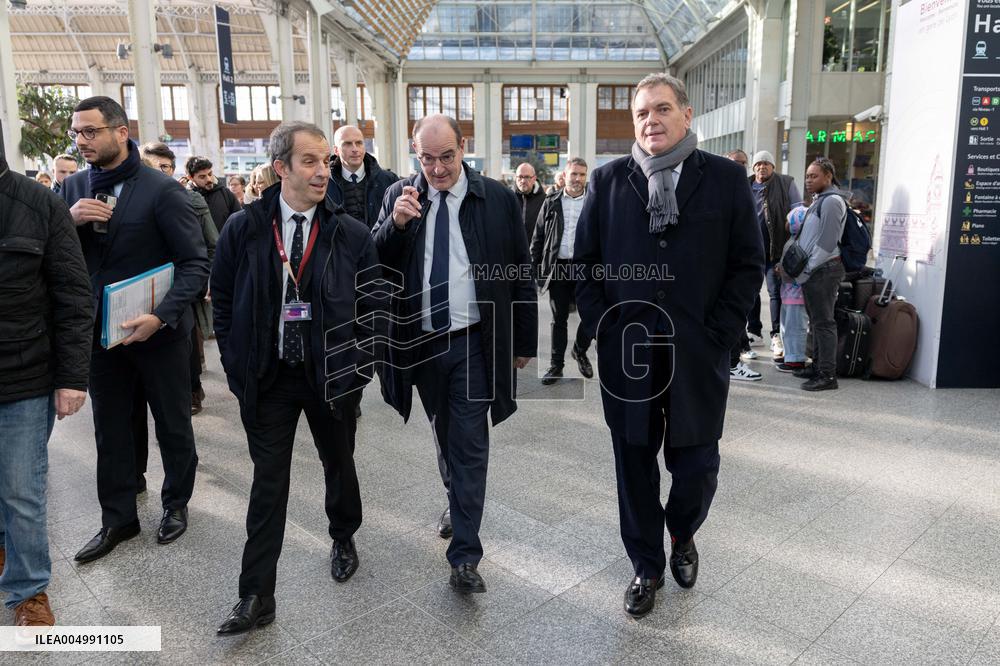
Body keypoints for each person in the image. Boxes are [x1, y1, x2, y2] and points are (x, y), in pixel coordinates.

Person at [575, 74, 763, 618]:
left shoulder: (725, 180)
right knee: (633, 462)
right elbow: (583, 264)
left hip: (697, 353)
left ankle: (682, 532)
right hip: (628, 355)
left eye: (661, 109)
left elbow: (747, 263)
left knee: (697, 464)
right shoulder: (609, 182)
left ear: (686, 115)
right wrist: (603, 327)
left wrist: (720, 333)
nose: (650, 121)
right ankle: (645, 566)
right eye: (641, 113)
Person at [213, 121, 386, 635]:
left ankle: (343, 534)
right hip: (268, 379)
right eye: (309, 161)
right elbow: (221, 300)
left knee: (339, 461)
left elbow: (376, 306)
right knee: (268, 484)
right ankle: (256, 594)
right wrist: (235, 365)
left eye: (326, 161)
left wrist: (359, 367)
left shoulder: (349, 232)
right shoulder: (243, 228)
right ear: (280, 168)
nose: (322, 171)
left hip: (331, 376)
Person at [373, 114, 537, 593]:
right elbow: (376, 261)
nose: (438, 169)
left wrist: (522, 341)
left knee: (469, 442)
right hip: (420, 343)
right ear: (414, 153)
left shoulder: (497, 199)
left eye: (446, 157)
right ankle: (456, 499)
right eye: (427, 158)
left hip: (473, 341)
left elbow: (519, 272)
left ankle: (465, 553)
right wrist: (397, 226)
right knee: (443, 433)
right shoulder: (398, 195)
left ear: (464, 148)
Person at [61, 96, 209, 563]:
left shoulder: (162, 191)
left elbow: (194, 263)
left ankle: (176, 503)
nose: (82, 141)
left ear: (120, 133)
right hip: (103, 337)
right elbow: (55, 258)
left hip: (158, 334)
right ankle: (118, 518)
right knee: (111, 429)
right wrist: (70, 222)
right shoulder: (73, 189)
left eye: (90, 131)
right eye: (77, 133)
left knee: (172, 423)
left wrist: (160, 316)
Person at [0, 155, 93, 627]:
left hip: (23, 376)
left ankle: (29, 589)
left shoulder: (38, 202)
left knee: (21, 489)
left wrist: (73, 378)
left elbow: (74, 295)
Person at [530, 157, 594, 384]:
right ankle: (556, 366)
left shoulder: (594, 202)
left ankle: (579, 349)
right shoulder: (552, 201)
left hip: (585, 269)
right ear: (564, 175)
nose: (577, 178)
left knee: (591, 315)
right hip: (557, 268)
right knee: (559, 319)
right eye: (573, 173)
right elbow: (538, 237)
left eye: (582, 174)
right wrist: (536, 270)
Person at [794, 158, 847, 391]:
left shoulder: (832, 202)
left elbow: (827, 242)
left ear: (828, 176)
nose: (808, 180)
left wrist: (807, 268)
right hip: (817, 270)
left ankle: (827, 375)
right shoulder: (821, 200)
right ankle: (817, 366)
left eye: (814, 176)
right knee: (816, 322)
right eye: (807, 176)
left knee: (824, 323)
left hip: (824, 270)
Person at [748, 150, 802, 361]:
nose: (762, 167)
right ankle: (753, 331)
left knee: (774, 293)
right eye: (758, 164)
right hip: (751, 251)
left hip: (775, 251)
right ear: (753, 168)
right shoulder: (745, 184)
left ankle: (776, 335)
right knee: (750, 292)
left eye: (766, 164)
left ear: (773, 167)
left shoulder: (786, 183)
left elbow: (798, 212)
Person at [724, 149, 761, 379]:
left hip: (740, 269)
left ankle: (738, 354)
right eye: (736, 162)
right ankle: (732, 362)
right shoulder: (717, 187)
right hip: (720, 271)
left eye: (743, 163)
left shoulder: (744, 188)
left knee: (739, 312)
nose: (740, 166)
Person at [327, 124, 398, 229]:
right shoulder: (325, 184)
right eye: (347, 144)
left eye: (359, 143)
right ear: (336, 150)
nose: (355, 149)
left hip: (378, 244)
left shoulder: (388, 180)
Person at [776, 200, 810, 373]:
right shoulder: (795, 239)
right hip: (789, 292)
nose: (786, 224)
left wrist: (782, 269)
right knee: (788, 326)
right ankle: (790, 354)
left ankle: (796, 359)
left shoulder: (801, 242)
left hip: (796, 293)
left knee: (795, 326)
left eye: (790, 221)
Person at [186, 156, 242, 233]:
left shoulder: (226, 193)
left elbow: (239, 221)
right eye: (202, 177)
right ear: (191, 178)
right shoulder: (186, 198)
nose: (208, 179)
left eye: (210, 174)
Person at [513, 162, 546, 242]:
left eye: (527, 177)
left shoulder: (545, 200)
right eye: (520, 177)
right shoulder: (508, 198)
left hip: (536, 251)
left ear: (534, 178)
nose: (523, 181)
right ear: (515, 178)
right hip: (512, 250)